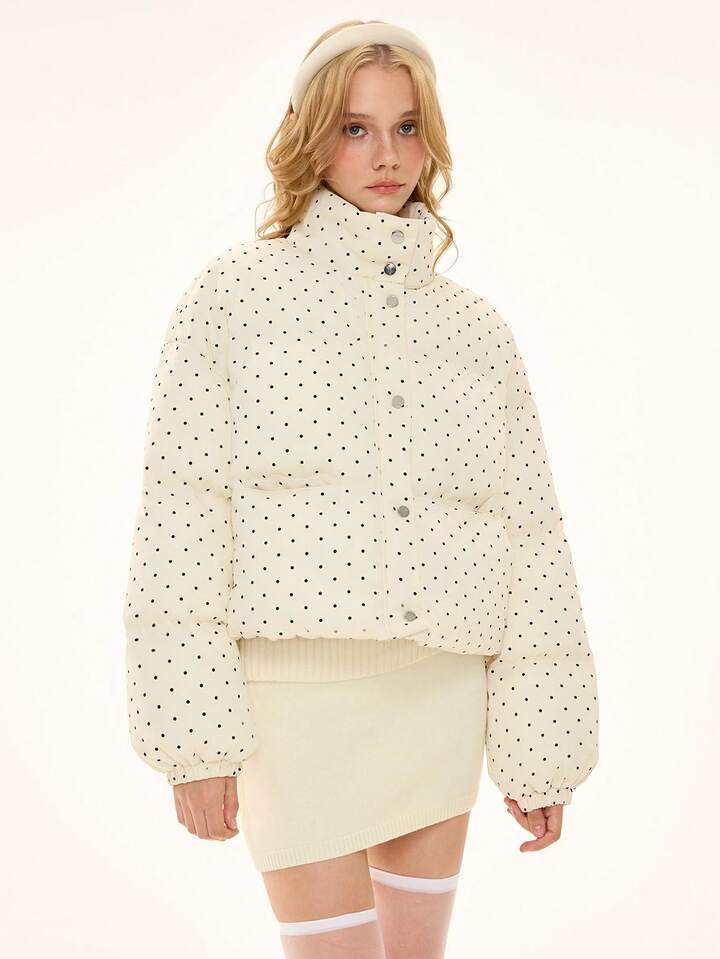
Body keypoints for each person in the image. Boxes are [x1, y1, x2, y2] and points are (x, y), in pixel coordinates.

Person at [122, 19, 600, 959]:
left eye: (407, 127)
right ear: (309, 135)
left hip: (439, 694)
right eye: (355, 128)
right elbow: (182, 516)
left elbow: (530, 538)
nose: (387, 155)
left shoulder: (477, 332)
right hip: (291, 711)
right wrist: (194, 741)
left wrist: (543, 747)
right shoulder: (231, 298)